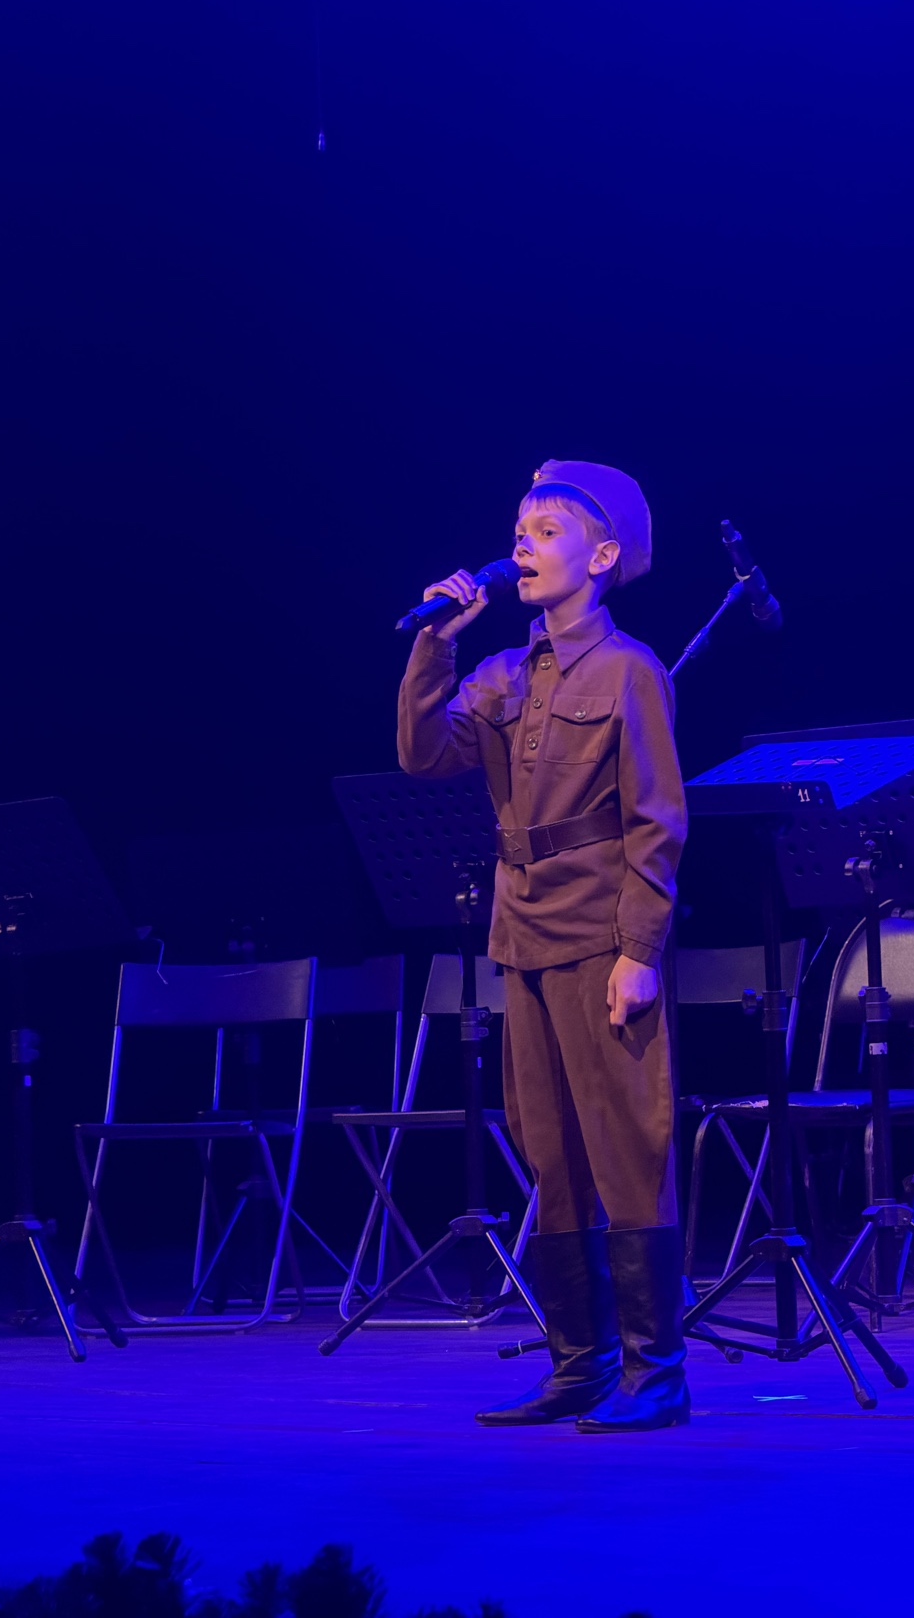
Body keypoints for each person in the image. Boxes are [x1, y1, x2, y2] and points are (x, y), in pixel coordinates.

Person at [397, 459, 690, 1432]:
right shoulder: (503, 673)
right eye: (520, 528)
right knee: (549, 1152)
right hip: (521, 935)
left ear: (602, 558)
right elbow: (424, 754)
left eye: (549, 529)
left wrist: (639, 950)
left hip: (601, 933)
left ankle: (657, 1374)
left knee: (626, 1147)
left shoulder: (629, 669)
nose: (523, 542)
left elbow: (657, 820)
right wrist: (436, 641)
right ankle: (580, 1365)